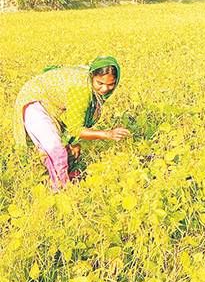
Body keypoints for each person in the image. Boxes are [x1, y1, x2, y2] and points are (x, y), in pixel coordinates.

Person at [14, 56, 131, 192]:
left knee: (68, 148)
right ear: (92, 75)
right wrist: (108, 134)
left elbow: (75, 120)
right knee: (56, 150)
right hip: (35, 100)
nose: (105, 89)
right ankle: (61, 191)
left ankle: (64, 178)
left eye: (111, 84)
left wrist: (73, 141)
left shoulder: (91, 84)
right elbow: (76, 129)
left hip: (53, 103)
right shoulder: (81, 90)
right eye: (100, 83)